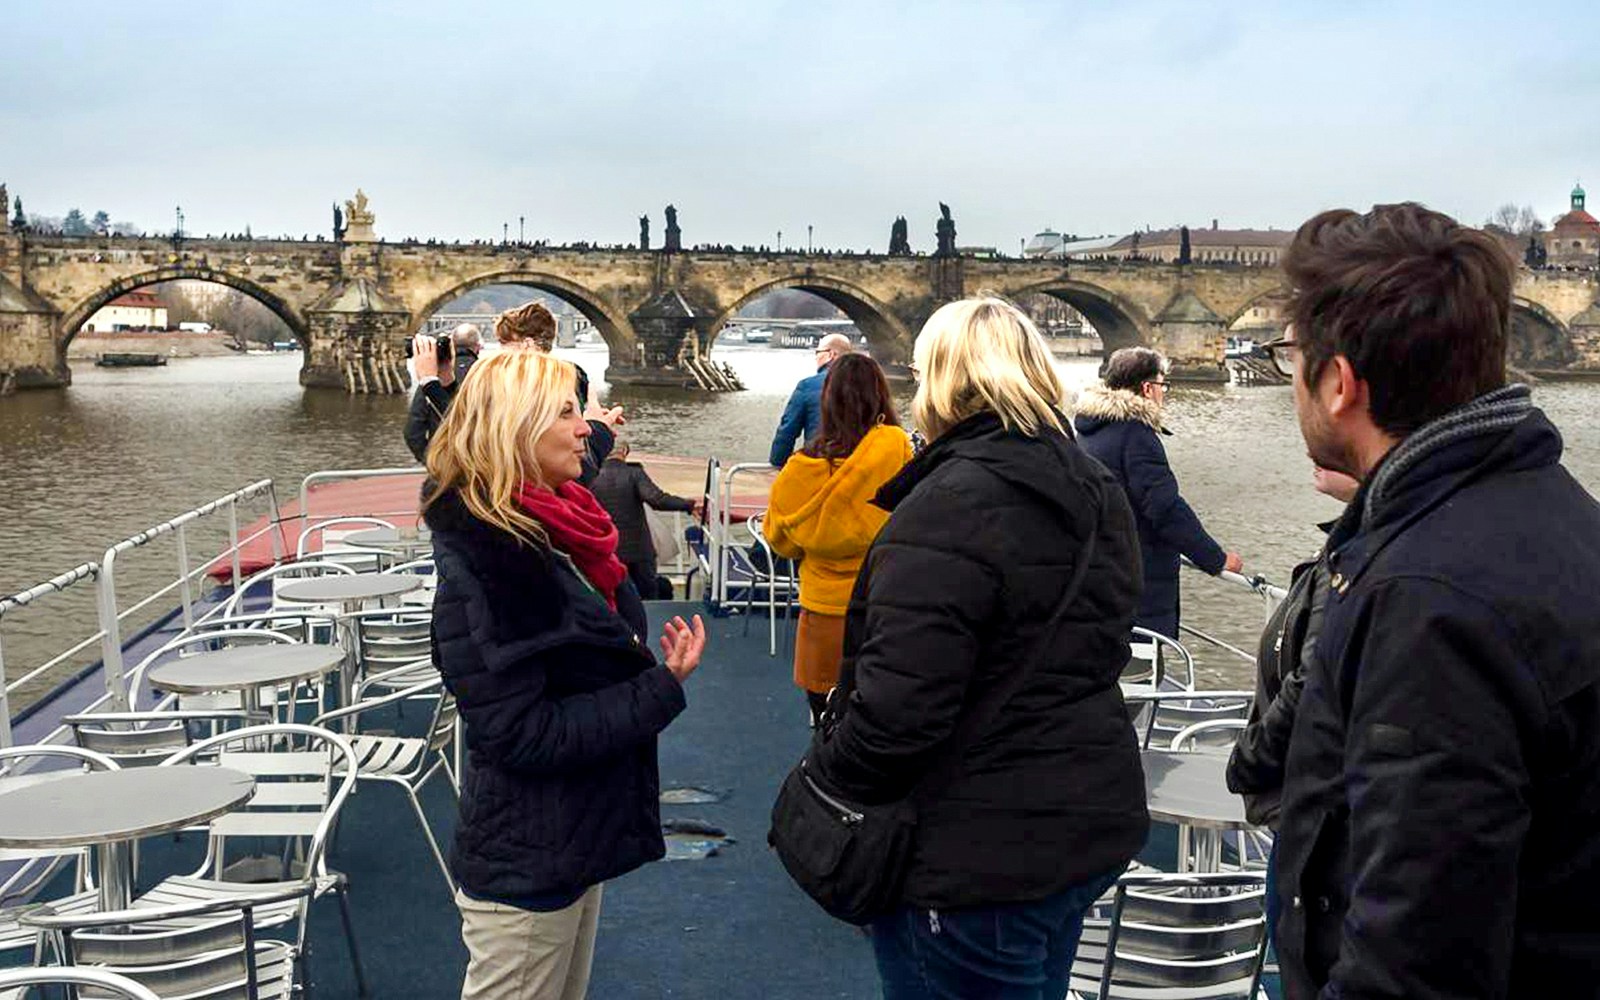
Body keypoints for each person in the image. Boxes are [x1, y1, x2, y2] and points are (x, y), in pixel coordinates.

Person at [1269, 202, 1600, 997]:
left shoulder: (1428, 602)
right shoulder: (1557, 508)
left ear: (1340, 383)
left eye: (1293, 361)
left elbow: (1416, 961)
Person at [807, 297, 1148, 999]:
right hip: (1083, 817)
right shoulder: (1097, 486)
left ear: (940, 378)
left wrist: (823, 778)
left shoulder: (942, 505)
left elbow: (898, 710)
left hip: (970, 851)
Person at [423, 349, 708, 1000]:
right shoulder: (494, 559)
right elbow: (522, 733)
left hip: (572, 835)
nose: (588, 427)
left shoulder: (561, 531)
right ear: (516, 430)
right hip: (528, 854)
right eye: (568, 412)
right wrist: (659, 689)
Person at [1223, 462, 1357, 943]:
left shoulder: (1361, 554)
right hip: (1313, 806)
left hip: (1316, 815)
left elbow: (1312, 677)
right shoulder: (1361, 544)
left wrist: (1249, 758)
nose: (1314, 448)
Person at [763, 353, 911, 727]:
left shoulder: (801, 468)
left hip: (823, 610)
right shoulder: (895, 450)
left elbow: (781, 541)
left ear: (826, 401)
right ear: (880, 396)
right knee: (881, 718)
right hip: (885, 604)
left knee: (826, 714)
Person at [1073, 346, 1242, 639]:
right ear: (1148, 388)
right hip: (1137, 583)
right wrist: (1215, 559)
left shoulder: (1088, 432)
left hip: (1098, 578)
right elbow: (1164, 508)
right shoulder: (1136, 435)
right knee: (1145, 672)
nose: (1165, 393)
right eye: (1163, 385)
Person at [496, 301, 622, 485]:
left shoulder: (509, 385)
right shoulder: (569, 376)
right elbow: (576, 466)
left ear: (527, 345)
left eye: (504, 344)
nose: (499, 355)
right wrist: (597, 427)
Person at [590, 439, 698, 600]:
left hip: (607, 550)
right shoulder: (634, 473)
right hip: (638, 551)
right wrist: (689, 505)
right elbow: (656, 499)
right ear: (625, 452)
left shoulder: (591, 475)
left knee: (612, 596)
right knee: (648, 596)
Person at [768, 332, 852, 467]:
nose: (816, 357)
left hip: (821, 464)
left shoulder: (807, 385)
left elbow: (787, 430)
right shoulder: (869, 384)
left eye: (818, 352)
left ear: (831, 354)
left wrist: (778, 463)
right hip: (858, 467)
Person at [404, 323, 482, 462]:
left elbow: (413, 431)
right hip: (478, 466)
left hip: (443, 465)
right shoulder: (485, 375)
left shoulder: (433, 374)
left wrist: (431, 461)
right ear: (478, 347)